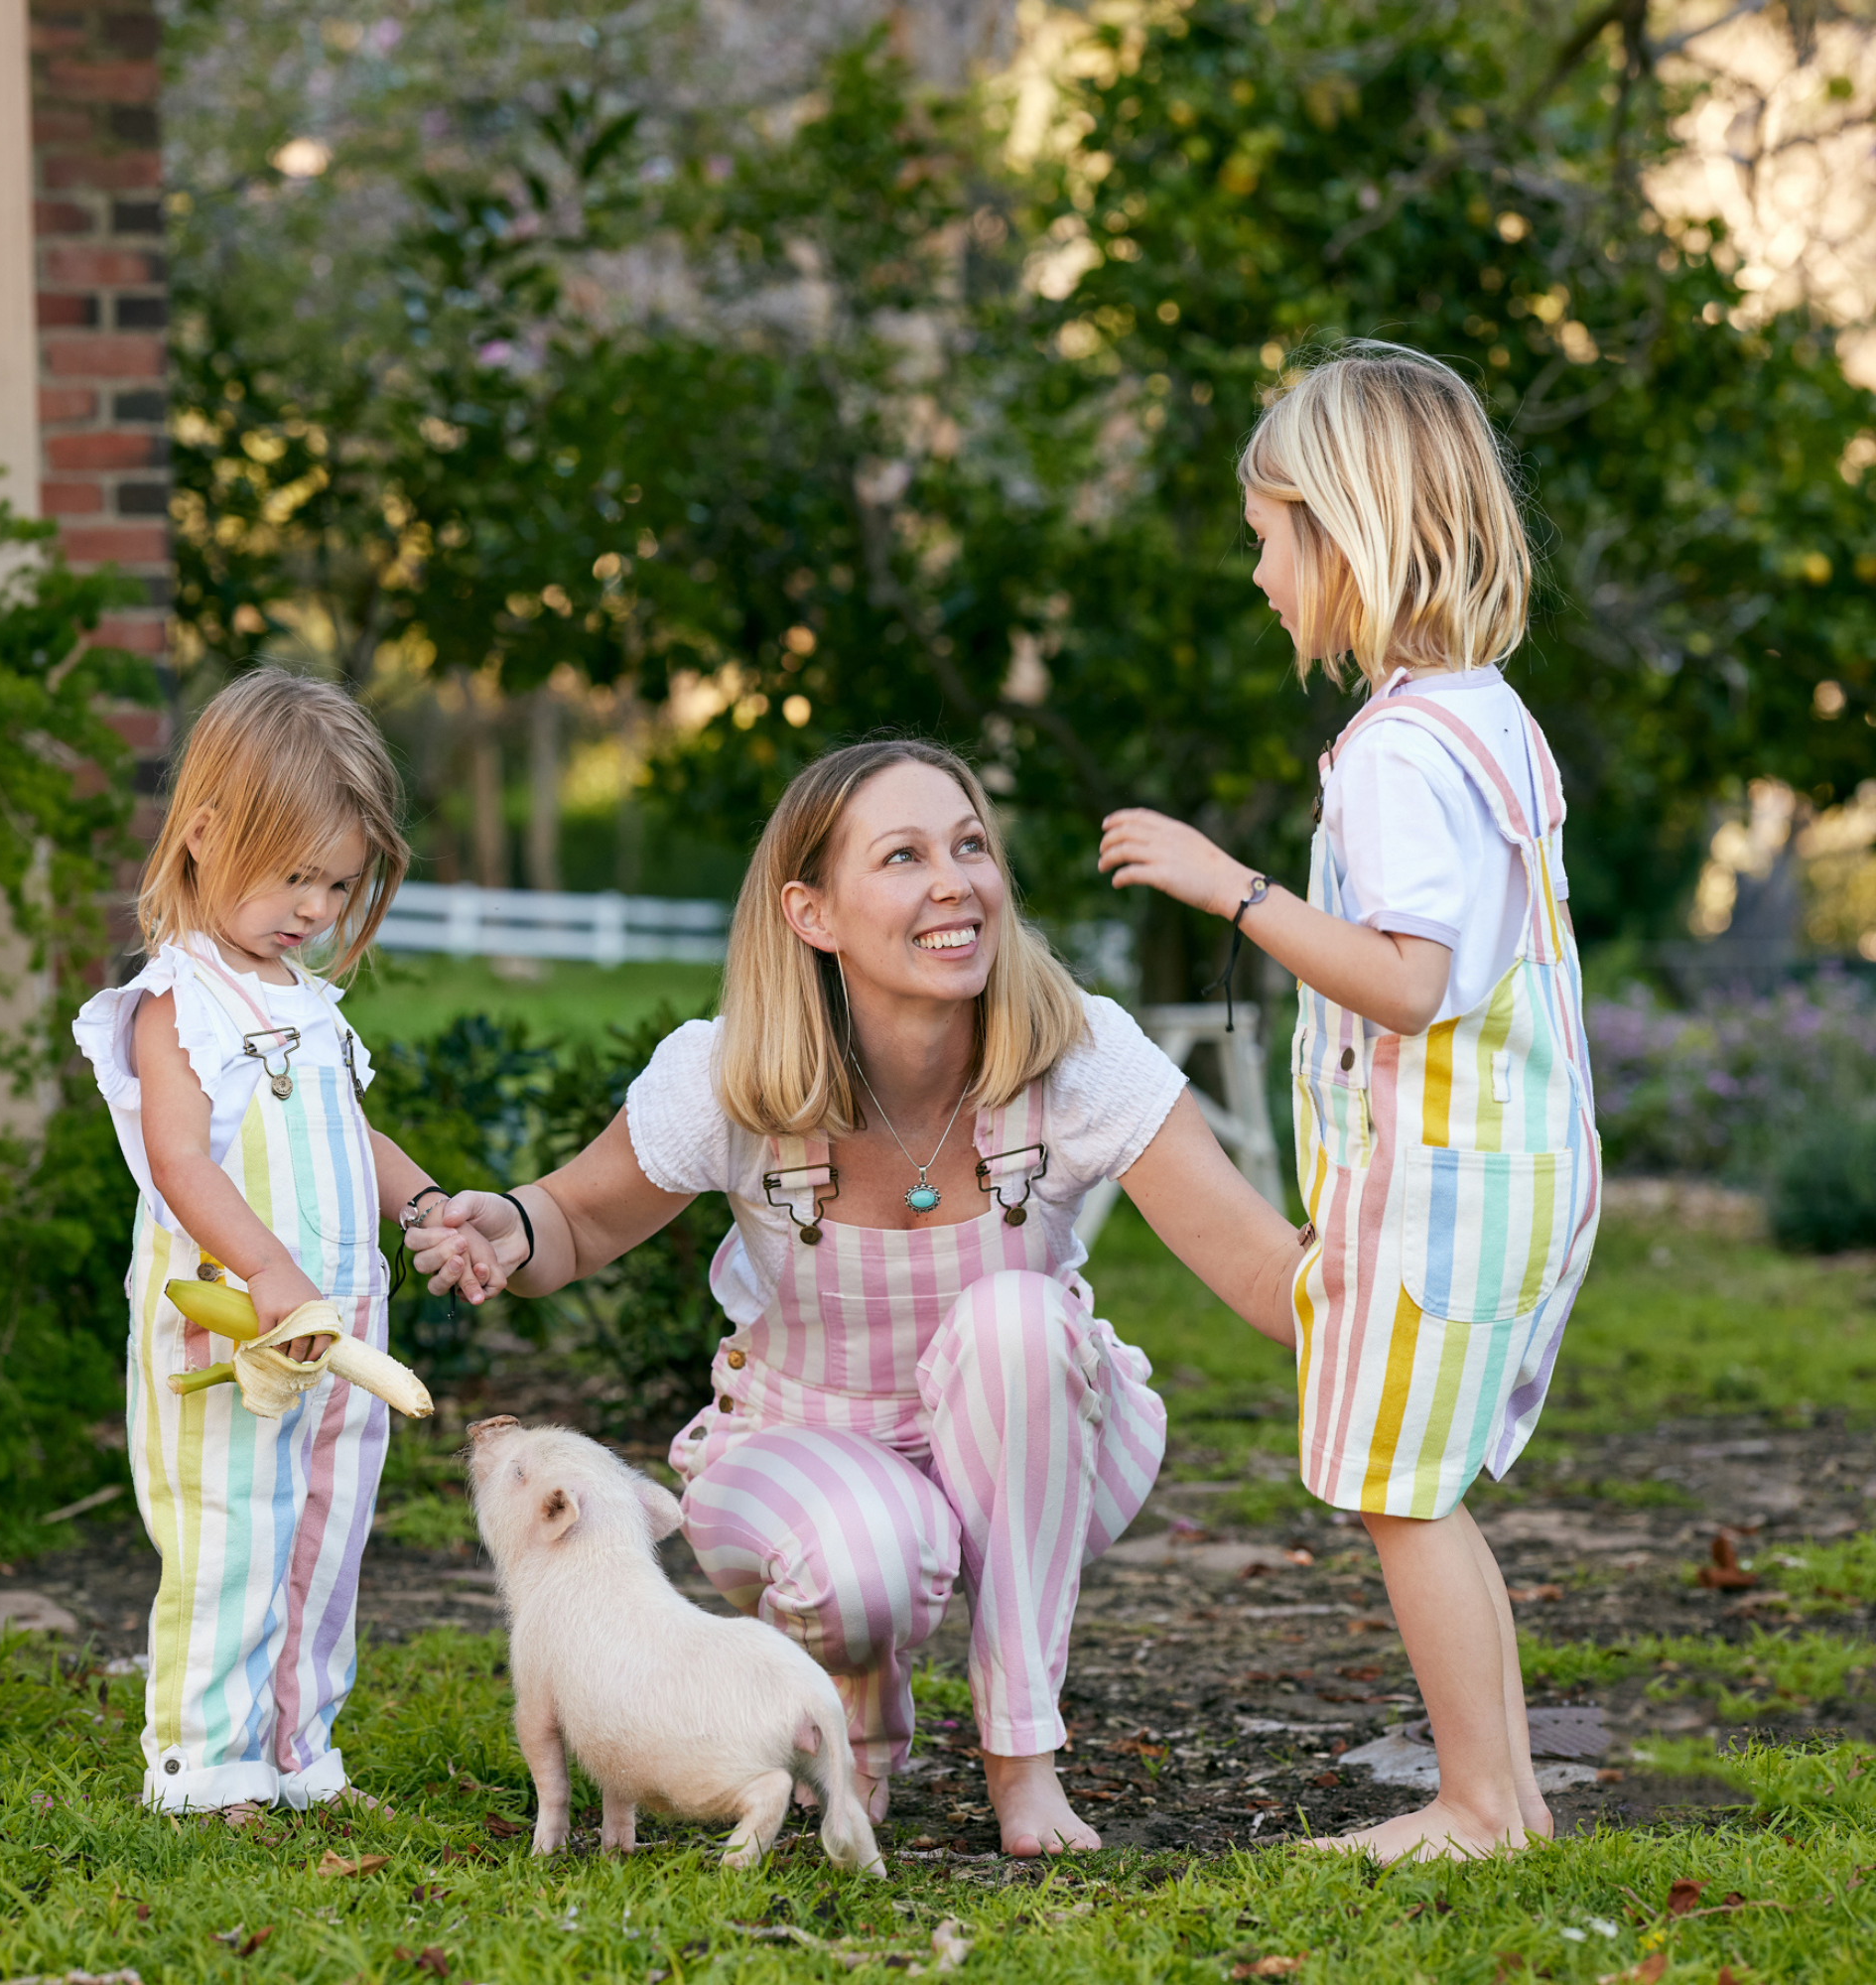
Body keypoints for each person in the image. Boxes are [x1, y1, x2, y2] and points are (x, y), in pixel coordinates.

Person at [412, 737, 1304, 1857]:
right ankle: (855, 1721)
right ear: (812, 911)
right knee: (865, 1559)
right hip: (802, 1443)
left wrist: (1377, 1263)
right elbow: (575, 1219)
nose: (954, 882)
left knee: (1019, 1322)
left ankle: (1020, 1765)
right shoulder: (730, 1075)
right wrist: (507, 1220)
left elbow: (1273, 1280)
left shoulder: (1076, 1059)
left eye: (970, 845)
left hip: (1035, 1432)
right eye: (903, 856)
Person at [1099, 341, 1601, 1862]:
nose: (1257, 572)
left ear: (1346, 530)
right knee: (1428, 1488)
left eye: (1267, 536)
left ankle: (1467, 1805)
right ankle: (1503, 1796)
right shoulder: (1485, 714)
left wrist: (1228, 886)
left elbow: (1415, 978)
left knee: (1402, 1499)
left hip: (1440, 1182)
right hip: (1513, 1169)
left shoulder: (1395, 753)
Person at [75, 668, 462, 1818]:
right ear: (203, 834)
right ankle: (204, 1762)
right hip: (235, 1325)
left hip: (337, 1325)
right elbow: (184, 1159)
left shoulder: (306, 997)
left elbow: (351, 1126)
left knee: (325, 1538)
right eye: (292, 873)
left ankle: (299, 1750)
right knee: (233, 1536)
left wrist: (426, 1201)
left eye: (337, 881)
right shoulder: (172, 1000)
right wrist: (269, 1270)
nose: (314, 905)